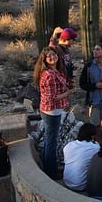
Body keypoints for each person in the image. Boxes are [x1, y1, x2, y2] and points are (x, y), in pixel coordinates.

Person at [34, 47, 72, 180]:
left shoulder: (54, 71)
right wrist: (67, 93)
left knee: (48, 139)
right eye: (48, 55)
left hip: (49, 110)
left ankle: (46, 168)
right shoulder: (49, 75)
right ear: (44, 59)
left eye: (53, 54)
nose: (52, 57)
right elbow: (52, 98)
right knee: (51, 142)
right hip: (51, 111)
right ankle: (51, 173)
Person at [62, 123, 99, 191]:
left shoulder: (69, 145)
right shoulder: (95, 148)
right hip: (80, 185)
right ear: (92, 136)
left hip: (66, 181)